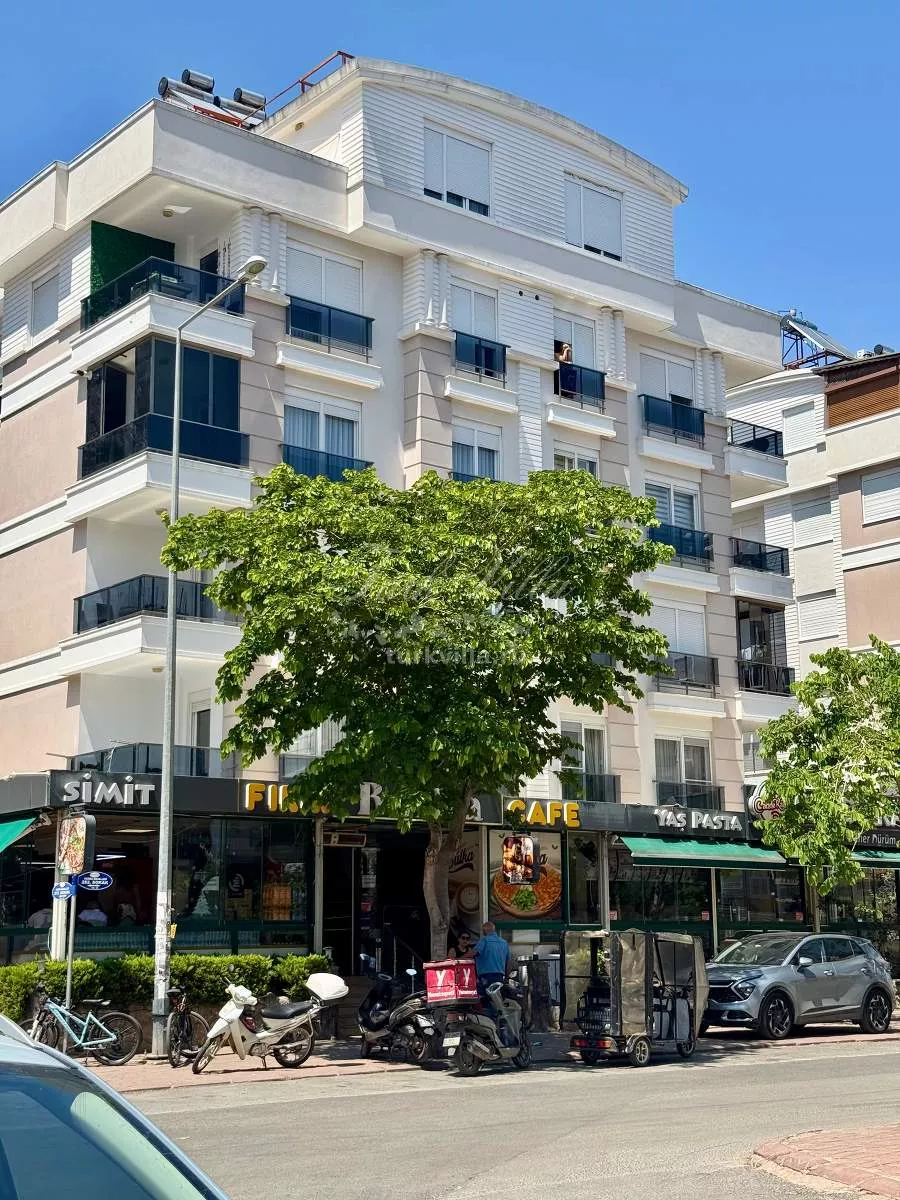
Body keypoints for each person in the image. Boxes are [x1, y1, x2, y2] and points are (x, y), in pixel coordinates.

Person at [472, 921, 511, 994]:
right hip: (500, 977)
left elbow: (474, 953)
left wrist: (460, 958)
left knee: (485, 997)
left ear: (484, 931)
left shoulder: (484, 940)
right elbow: (508, 962)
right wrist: (507, 978)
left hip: (486, 977)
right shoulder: (504, 942)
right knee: (497, 998)